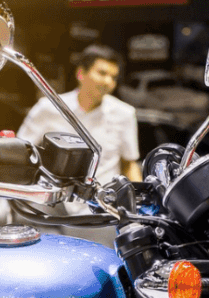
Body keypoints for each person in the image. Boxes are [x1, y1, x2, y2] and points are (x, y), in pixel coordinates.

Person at [17, 44, 141, 189]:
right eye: (102, 73)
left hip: (103, 204)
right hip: (52, 202)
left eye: (113, 77)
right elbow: (21, 152)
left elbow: (128, 164)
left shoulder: (125, 114)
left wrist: (140, 201)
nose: (108, 82)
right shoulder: (49, 107)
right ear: (81, 73)